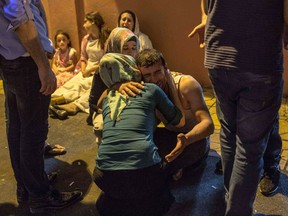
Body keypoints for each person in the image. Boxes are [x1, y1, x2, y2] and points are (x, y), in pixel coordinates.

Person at [188, 0, 287, 215]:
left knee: (229, 132)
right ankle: (237, 208)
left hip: (218, 57)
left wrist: (205, 17)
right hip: (258, 61)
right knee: (249, 149)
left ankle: (231, 196)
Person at [0, 0, 82, 214]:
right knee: (33, 132)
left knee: (17, 128)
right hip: (27, 62)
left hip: (10, 59)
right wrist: (43, 66)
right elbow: (20, 19)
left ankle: (27, 187)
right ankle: (40, 196)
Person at [93, 52, 184, 216]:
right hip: (145, 173)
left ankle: (118, 200)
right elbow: (180, 122)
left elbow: (98, 105)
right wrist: (170, 83)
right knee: (171, 139)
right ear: (134, 71)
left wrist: (114, 87)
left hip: (102, 176)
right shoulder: (151, 90)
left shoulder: (108, 97)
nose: (153, 79)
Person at [133, 49, 214, 180]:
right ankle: (172, 167)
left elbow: (208, 125)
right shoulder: (145, 88)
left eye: (157, 72)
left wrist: (186, 140)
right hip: (170, 135)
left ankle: (174, 167)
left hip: (193, 139)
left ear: (165, 68)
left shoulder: (186, 85)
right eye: (147, 75)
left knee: (155, 172)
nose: (153, 79)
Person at [49, 11, 110, 119]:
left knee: (84, 86)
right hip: (86, 70)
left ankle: (71, 106)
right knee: (72, 83)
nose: (83, 25)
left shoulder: (105, 38)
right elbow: (83, 57)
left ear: (93, 22)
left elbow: (107, 59)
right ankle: (54, 101)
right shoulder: (86, 39)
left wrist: (92, 69)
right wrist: (84, 70)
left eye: (86, 21)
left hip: (99, 71)